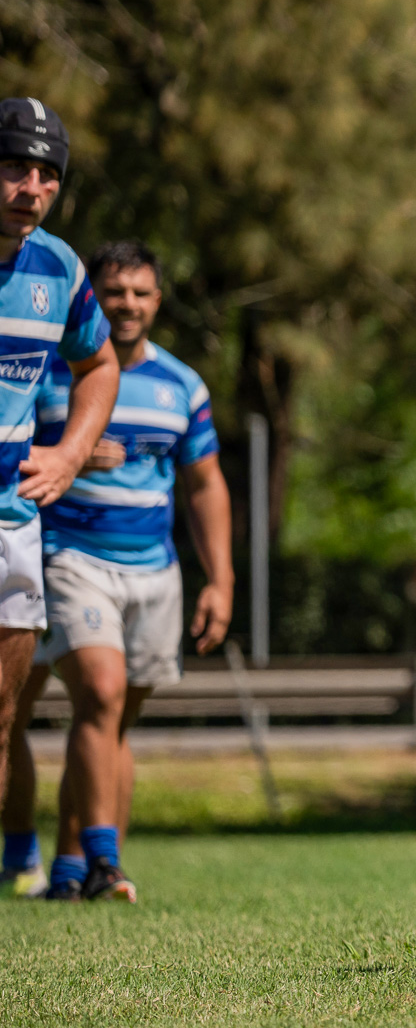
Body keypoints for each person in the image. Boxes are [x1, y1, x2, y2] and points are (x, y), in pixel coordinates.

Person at [3, 241, 231, 902]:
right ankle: (61, 857)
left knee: (111, 723)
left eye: (141, 293)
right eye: (114, 293)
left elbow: (204, 483)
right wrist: (72, 455)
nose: (127, 305)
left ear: (158, 301)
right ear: (90, 302)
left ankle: (79, 869)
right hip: (63, 557)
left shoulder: (182, 385)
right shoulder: (48, 371)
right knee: (88, 698)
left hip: (152, 569)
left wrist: (221, 578)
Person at [0, 97, 120, 899]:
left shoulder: (60, 270)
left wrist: (71, 454)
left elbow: (100, 364)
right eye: (15, 166)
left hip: (11, 518)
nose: (31, 187)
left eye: (47, 174)